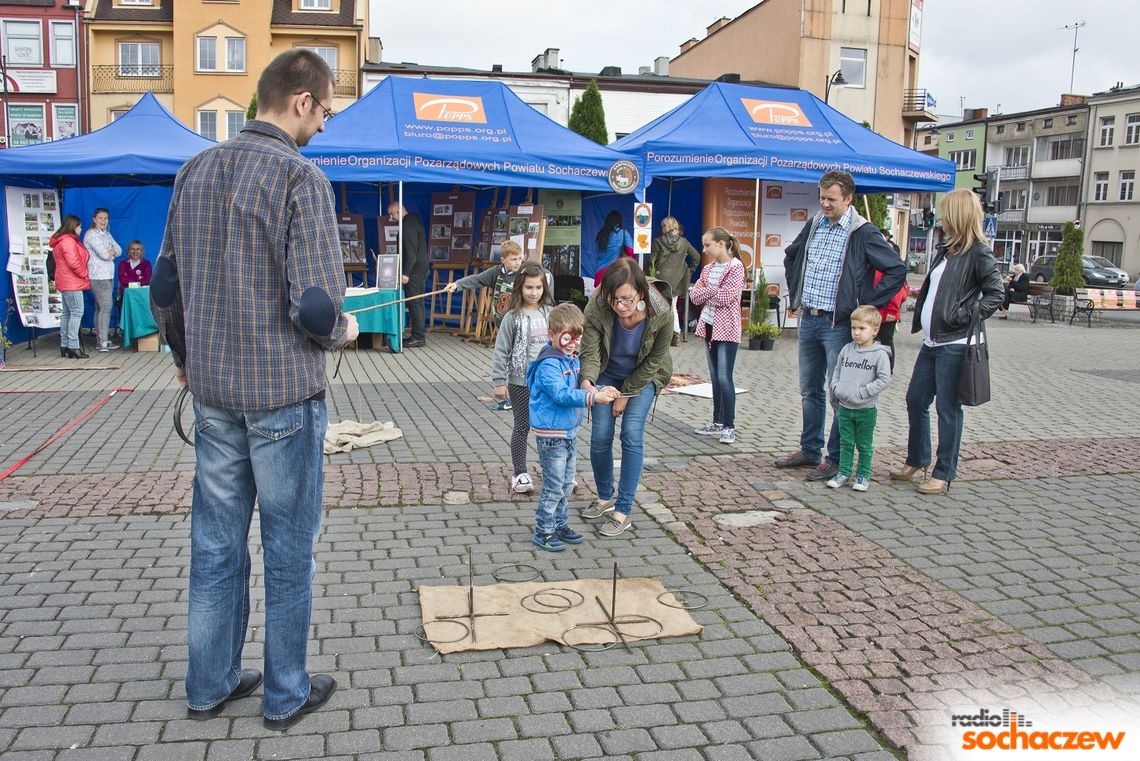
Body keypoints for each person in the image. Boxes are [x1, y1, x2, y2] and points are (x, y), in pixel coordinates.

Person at [150, 49, 358, 730]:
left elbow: (164, 290)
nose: (324, 126)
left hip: (213, 395)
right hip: (283, 401)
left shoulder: (193, 170)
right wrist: (344, 331)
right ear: (300, 101)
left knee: (215, 543)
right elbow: (318, 309)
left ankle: (208, 683)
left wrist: (184, 357)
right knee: (288, 548)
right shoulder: (303, 179)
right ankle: (284, 690)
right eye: (325, 110)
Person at [774, 171, 906, 482]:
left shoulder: (862, 232)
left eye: (832, 199)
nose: (825, 203)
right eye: (822, 197)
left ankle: (834, 458)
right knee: (810, 390)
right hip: (809, 317)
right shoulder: (816, 223)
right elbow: (791, 256)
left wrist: (866, 302)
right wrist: (797, 292)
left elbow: (896, 269)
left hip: (838, 323)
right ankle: (810, 449)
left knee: (838, 394)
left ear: (848, 199)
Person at [890, 188, 1003, 495]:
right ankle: (917, 458)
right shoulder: (947, 249)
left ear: (958, 214)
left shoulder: (979, 251)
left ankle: (944, 471)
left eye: (945, 211)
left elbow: (996, 294)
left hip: (956, 342)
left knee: (948, 408)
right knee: (916, 399)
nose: (940, 217)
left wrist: (964, 314)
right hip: (932, 341)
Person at [579, 257, 673, 538]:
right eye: (614, 300)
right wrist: (588, 383)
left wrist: (626, 395)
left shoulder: (663, 313)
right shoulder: (597, 305)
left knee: (631, 433)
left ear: (640, 293)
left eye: (626, 300)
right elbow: (591, 352)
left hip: (644, 375)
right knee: (600, 436)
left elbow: (655, 360)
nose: (619, 306)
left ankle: (623, 509)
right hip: (608, 372)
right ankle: (605, 496)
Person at [525, 303, 618, 552]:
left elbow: (580, 387)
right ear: (551, 334)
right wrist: (591, 399)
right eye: (567, 337)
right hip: (551, 435)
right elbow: (562, 394)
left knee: (566, 484)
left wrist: (599, 390)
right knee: (554, 485)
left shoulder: (571, 359)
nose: (572, 343)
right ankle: (544, 530)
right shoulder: (549, 365)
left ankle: (560, 524)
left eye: (577, 338)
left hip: (569, 432)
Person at [490, 261, 556, 494]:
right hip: (520, 381)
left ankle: (554, 471)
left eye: (538, 288)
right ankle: (520, 473)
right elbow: (501, 349)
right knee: (522, 426)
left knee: (550, 428)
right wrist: (499, 382)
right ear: (520, 288)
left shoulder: (550, 313)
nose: (533, 292)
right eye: (529, 287)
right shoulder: (512, 317)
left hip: (549, 381)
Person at [689, 226, 745, 445]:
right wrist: (713, 291)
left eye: (708, 245)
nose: (705, 250)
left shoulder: (735, 267)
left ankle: (729, 426)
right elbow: (695, 296)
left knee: (724, 377)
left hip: (728, 328)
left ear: (721, 244)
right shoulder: (709, 268)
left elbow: (727, 297)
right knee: (714, 377)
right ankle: (717, 420)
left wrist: (707, 291)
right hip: (710, 324)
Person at [827, 305, 892, 492]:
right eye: (854, 328)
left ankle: (863, 475)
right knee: (845, 442)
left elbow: (884, 379)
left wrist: (863, 392)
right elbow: (837, 370)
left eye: (862, 329)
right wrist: (836, 387)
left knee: (864, 444)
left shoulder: (879, 354)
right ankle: (844, 472)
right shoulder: (847, 349)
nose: (857, 333)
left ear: (875, 330)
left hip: (865, 409)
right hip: (845, 407)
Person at [445, 239, 524, 326]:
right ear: (503, 260)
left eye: (520, 259)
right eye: (514, 259)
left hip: (518, 321)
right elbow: (476, 279)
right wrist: (457, 284)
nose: (518, 263)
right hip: (500, 320)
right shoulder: (495, 272)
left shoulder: (523, 275)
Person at [648, 216, 700, 346]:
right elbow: (697, 257)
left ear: (666, 227)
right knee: (673, 308)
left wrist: (650, 275)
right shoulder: (684, 242)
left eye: (663, 226)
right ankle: (675, 335)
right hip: (677, 279)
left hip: (660, 279)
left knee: (659, 308)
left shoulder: (657, 241)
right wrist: (690, 270)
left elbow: (652, 261)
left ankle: (662, 336)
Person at [50, 214, 91, 359]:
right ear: (73, 227)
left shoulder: (60, 240)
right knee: (77, 312)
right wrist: (85, 273)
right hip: (72, 281)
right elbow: (73, 263)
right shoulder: (68, 241)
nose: (81, 229)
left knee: (67, 314)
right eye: (79, 226)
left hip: (65, 280)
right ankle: (73, 346)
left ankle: (65, 345)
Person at [389, 201, 428, 348]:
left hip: (414, 271)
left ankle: (418, 337)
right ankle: (419, 334)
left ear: (399, 211)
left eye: (392, 214)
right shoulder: (413, 222)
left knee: (414, 303)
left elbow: (411, 253)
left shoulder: (407, 226)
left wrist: (406, 273)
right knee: (418, 303)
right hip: (420, 269)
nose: (390, 218)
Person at [83, 207, 122, 352]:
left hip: (108, 275)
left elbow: (119, 250)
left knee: (101, 308)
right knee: (106, 307)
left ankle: (102, 339)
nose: (103, 221)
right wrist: (110, 252)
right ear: (94, 219)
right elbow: (105, 255)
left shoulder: (106, 234)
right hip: (98, 276)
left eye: (105, 218)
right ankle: (103, 341)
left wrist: (111, 252)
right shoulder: (91, 235)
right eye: (100, 218)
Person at [873, 268, 909, 373]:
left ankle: (888, 369)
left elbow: (898, 293)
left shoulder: (892, 271)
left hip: (887, 314)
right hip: (877, 312)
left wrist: (892, 311)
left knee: (886, 341)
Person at [592, 210, 633, 287]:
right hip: (615, 271)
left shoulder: (601, 234)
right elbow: (631, 252)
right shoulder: (623, 233)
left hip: (599, 272)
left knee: (599, 297)